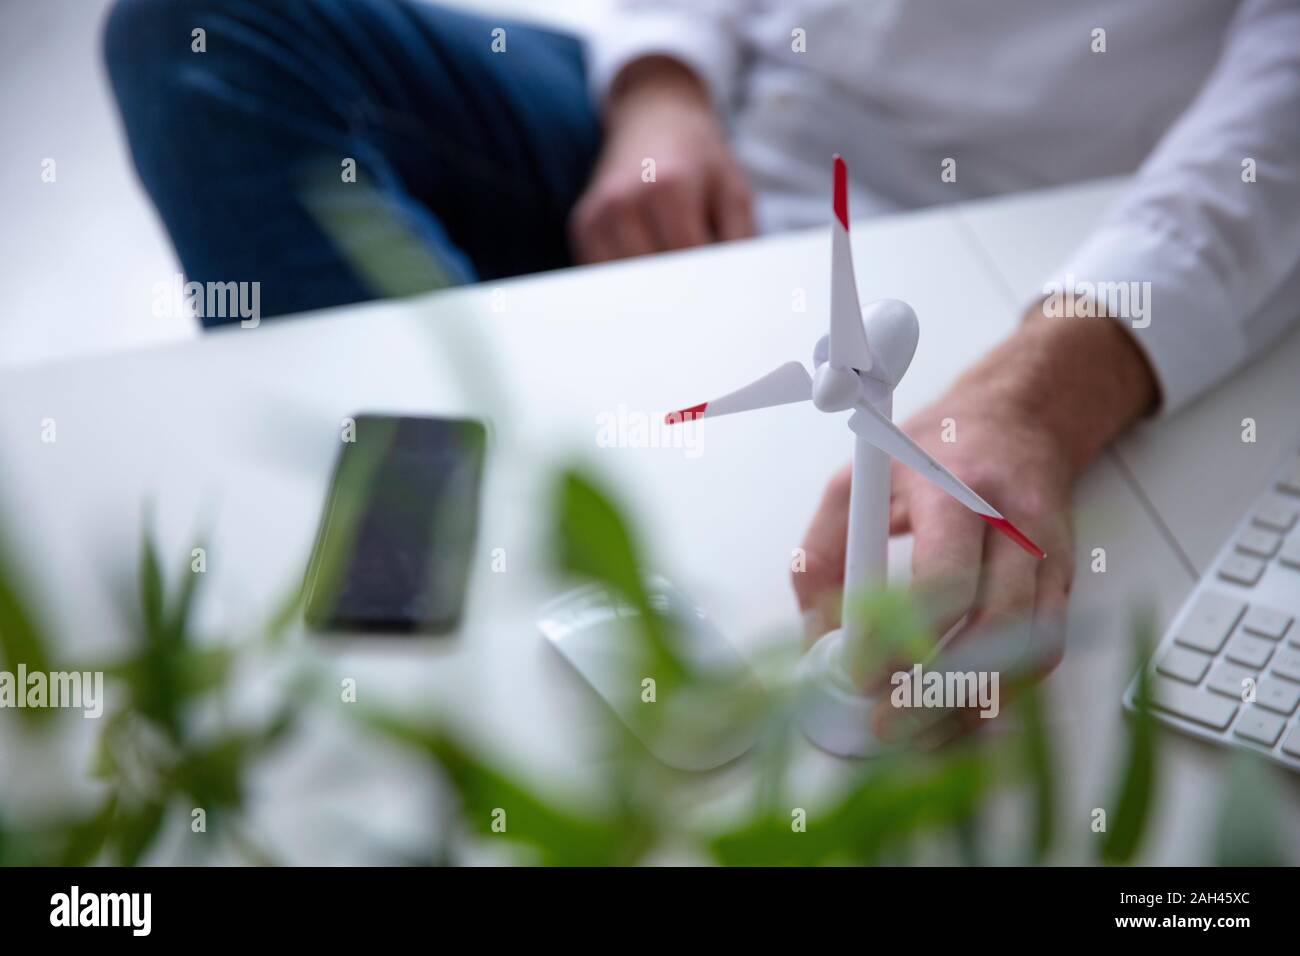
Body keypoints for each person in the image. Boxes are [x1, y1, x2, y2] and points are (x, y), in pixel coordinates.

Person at [105, 0, 1300, 681]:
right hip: (713, 119)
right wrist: (659, 77)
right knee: (199, 27)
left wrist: (1043, 392)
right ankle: (416, 579)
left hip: (995, 236)